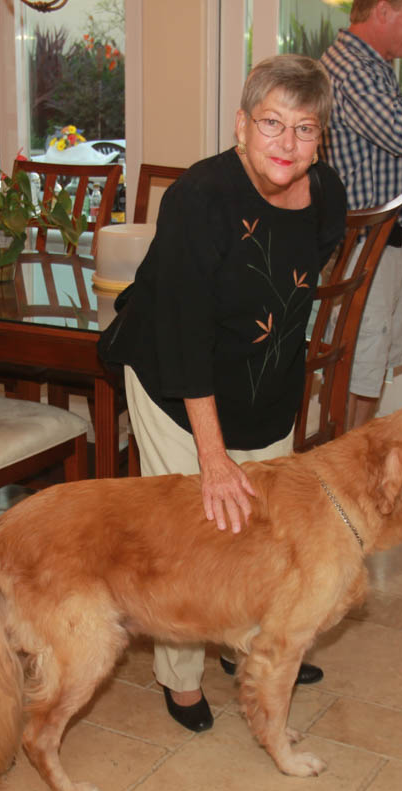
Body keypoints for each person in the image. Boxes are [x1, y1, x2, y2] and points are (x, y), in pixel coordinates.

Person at [98, 54, 346, 733]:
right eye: (271, 123)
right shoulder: (199, 200)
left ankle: (247, 649)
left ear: (321, 137)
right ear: (241, 125)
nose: (287, 145)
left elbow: (289, 297)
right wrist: (213, 457)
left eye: (305, 129)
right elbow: (183, 335)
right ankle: (178, 680)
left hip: (264, 384)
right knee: (191, 540)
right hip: (176, 382)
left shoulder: (326, 193)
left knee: (264, 535)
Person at [318, 0, 402, 430]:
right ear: (381, 10)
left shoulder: (371, 65)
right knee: (360, 363)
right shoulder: (352, 67)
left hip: (380, 244)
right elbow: (400, 133)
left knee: (370, 364)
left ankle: (358, 466)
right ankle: (346, 470)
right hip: (362, 246)